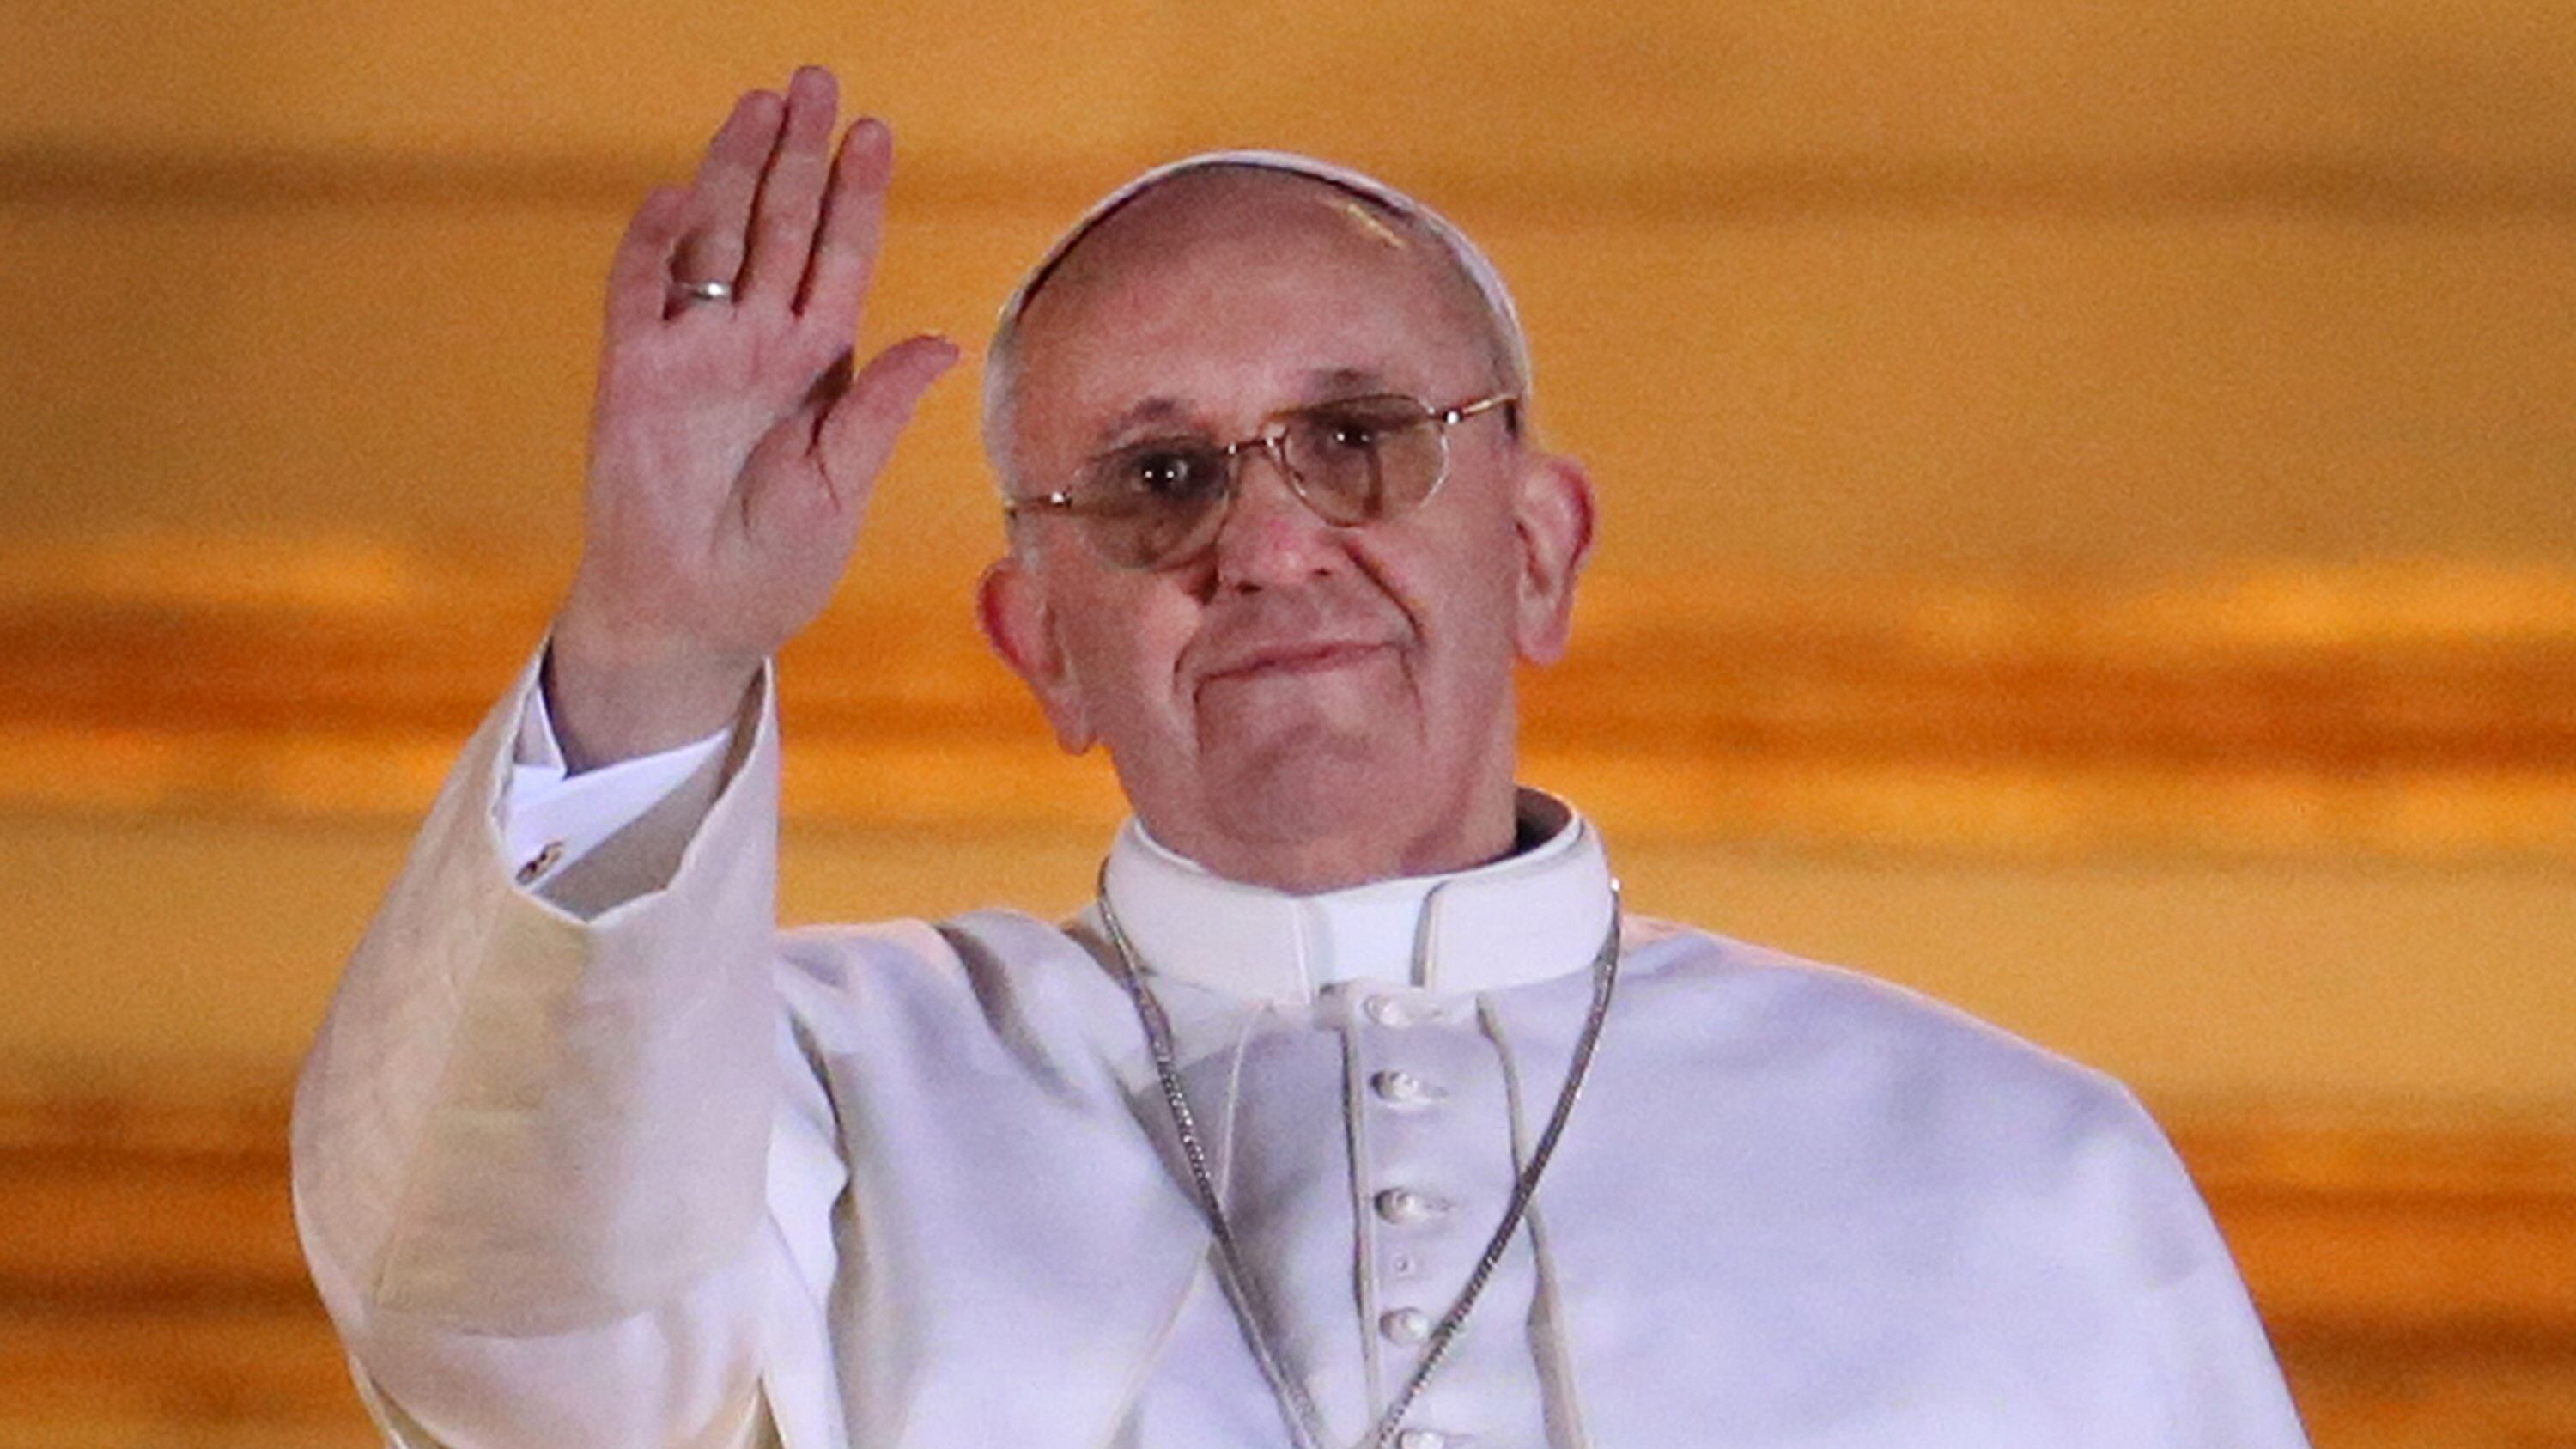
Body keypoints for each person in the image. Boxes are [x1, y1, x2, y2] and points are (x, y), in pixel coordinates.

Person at [291, 65, 2312, 1449]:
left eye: (1359, 439)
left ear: (1539, 549)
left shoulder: (2016, 1172)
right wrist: (656, 634)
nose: (1265, 545)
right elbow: (506, 1344)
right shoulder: (800, 1089)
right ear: (1041, 643)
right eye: (1158, 478)